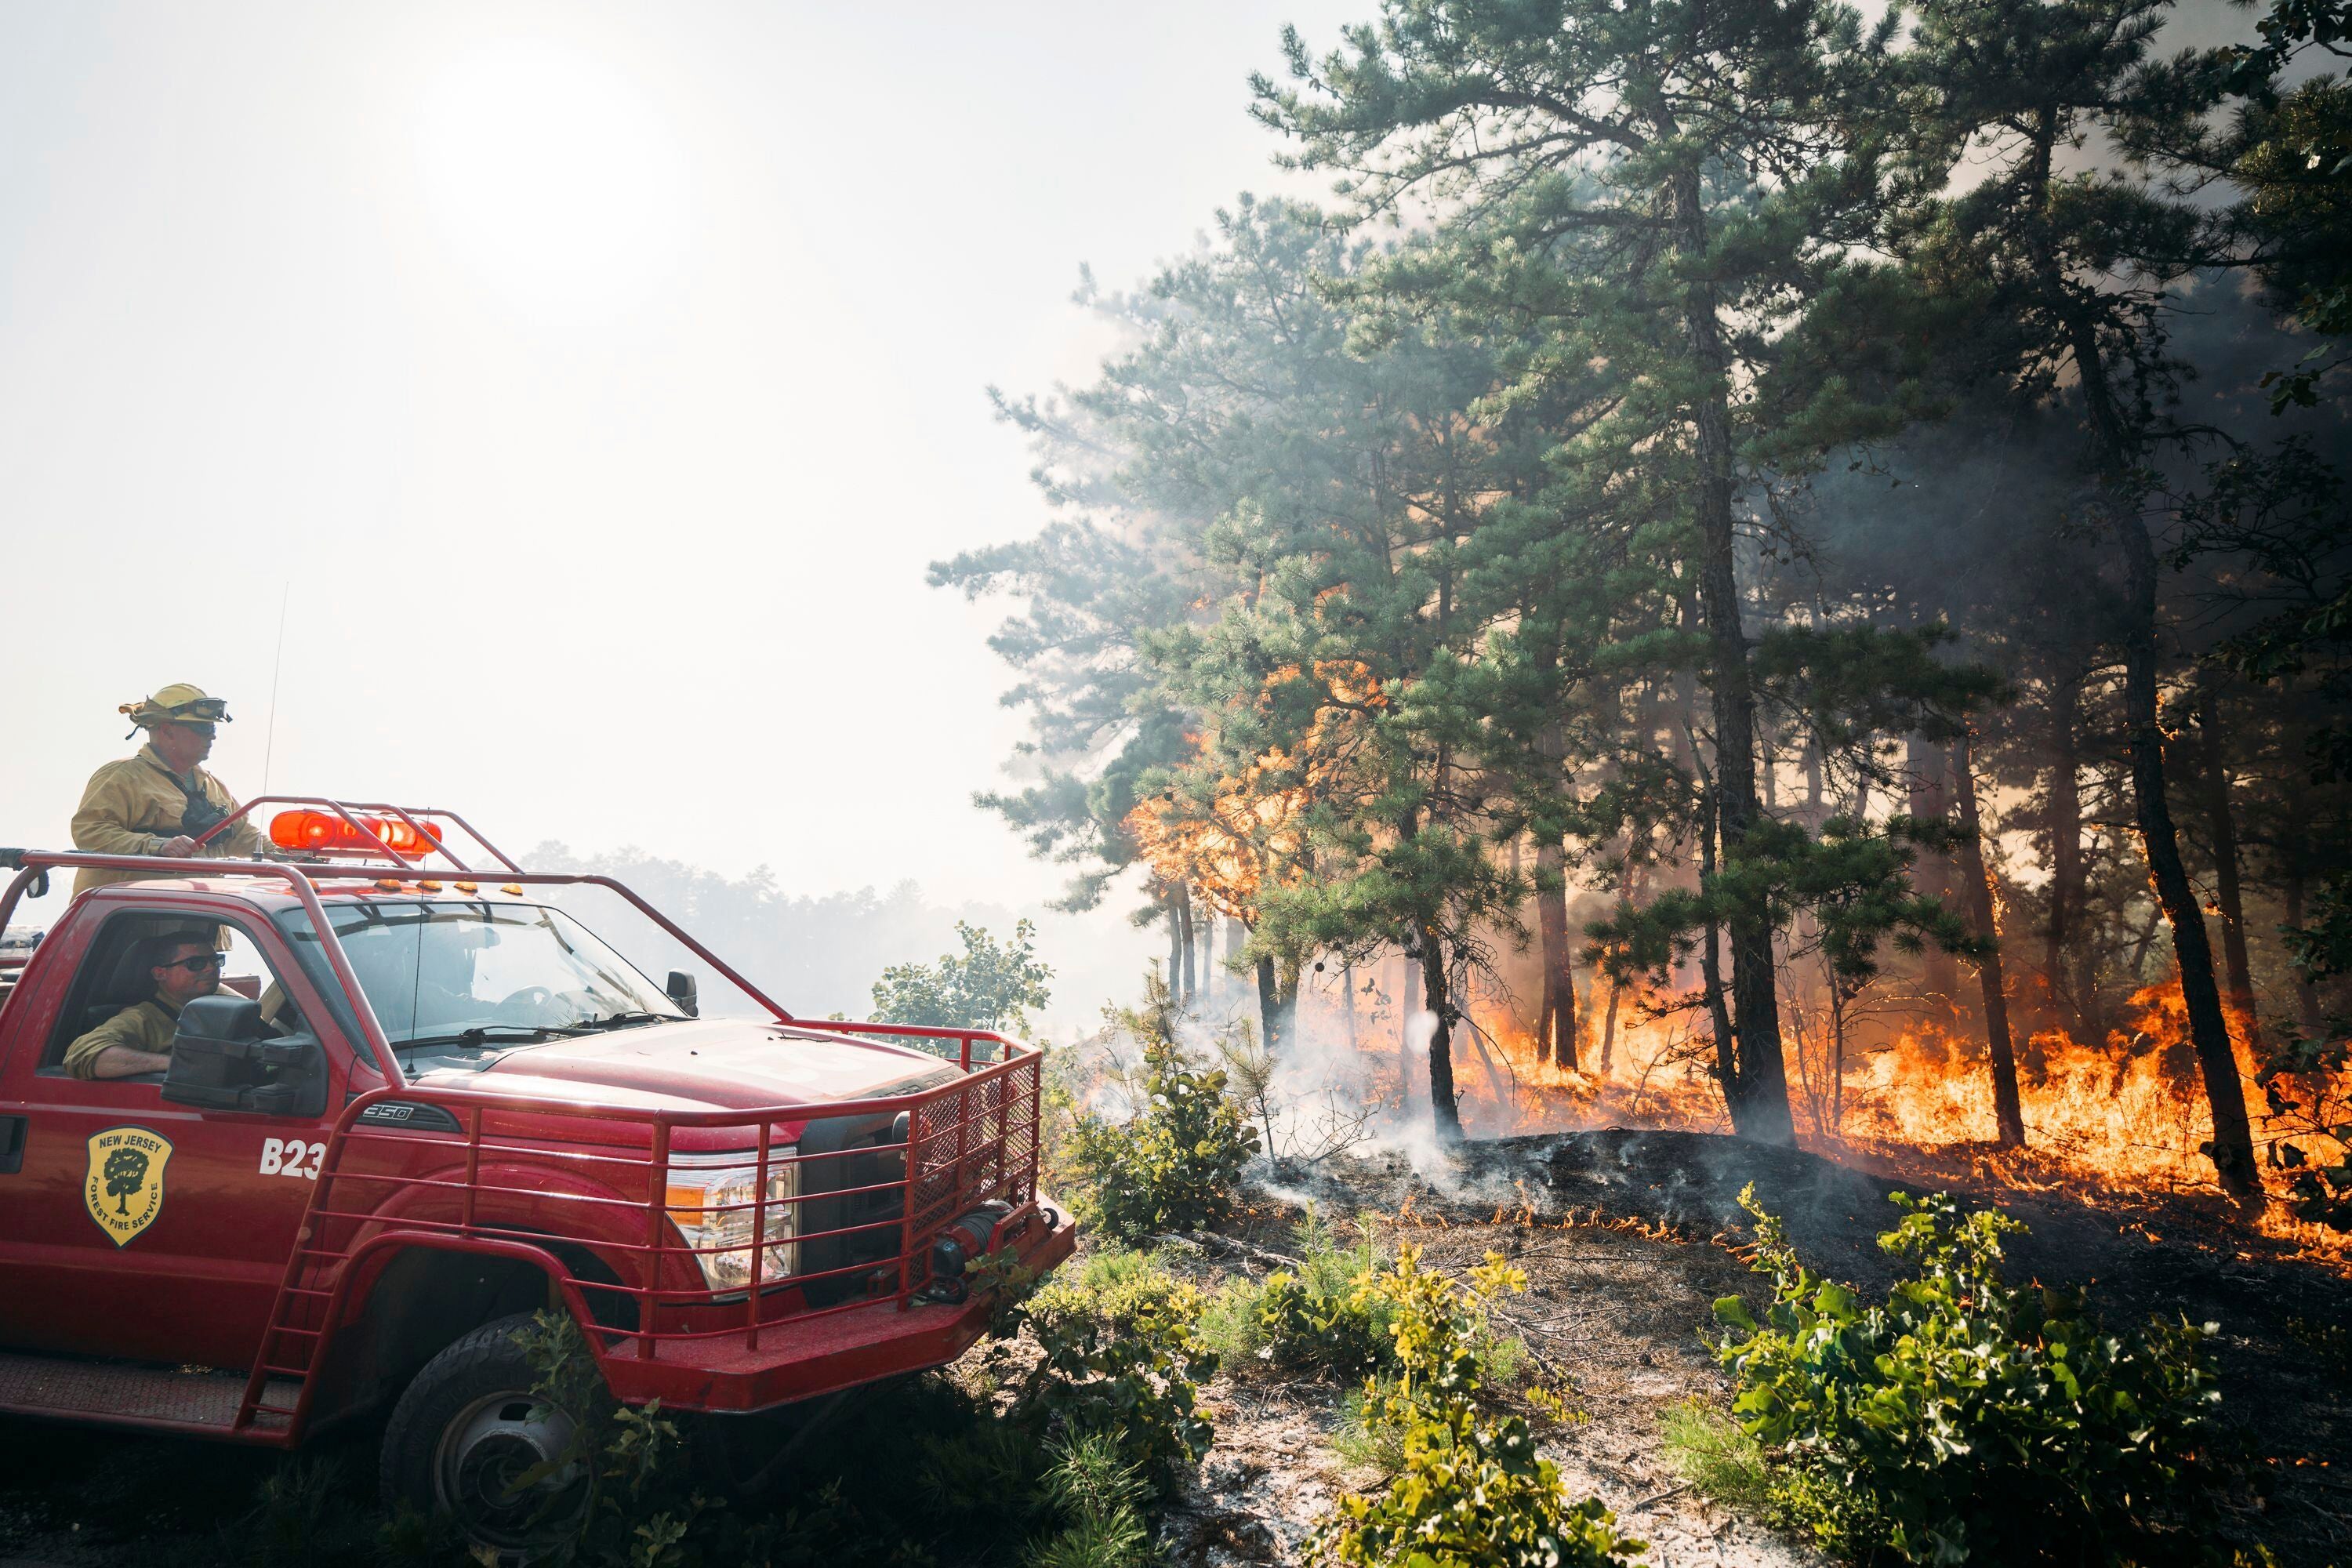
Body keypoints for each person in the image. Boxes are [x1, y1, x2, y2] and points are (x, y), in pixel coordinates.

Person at [71, 684, 265, 895]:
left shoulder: (213, 787)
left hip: (199, 916)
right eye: (203, 728)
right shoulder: (123, 777)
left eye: (213, 728)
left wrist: (286, 852)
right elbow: (89, 831)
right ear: (167, 730)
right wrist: (157, 845)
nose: (212, 736)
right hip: (129, 916)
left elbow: (243, 835)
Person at [63, 932, 223, 1079]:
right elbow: (82, 1055)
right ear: (160, 973)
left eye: (215, 960)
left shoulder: (219, 1006)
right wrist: (174, 1064)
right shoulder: (142, 1017)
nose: (211, 968)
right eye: (195, 963)